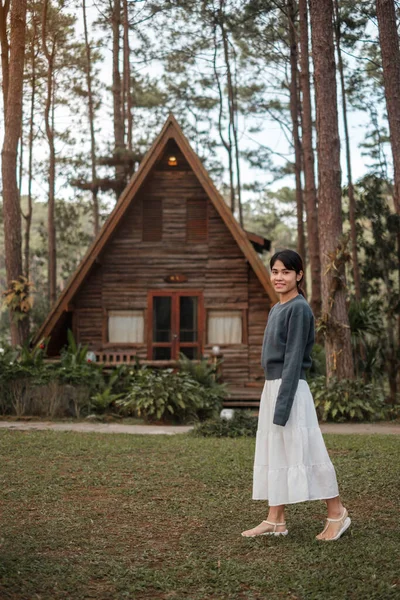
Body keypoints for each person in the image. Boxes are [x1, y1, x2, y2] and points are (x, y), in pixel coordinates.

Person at [241, 249, 351, 542]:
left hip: (290, 389)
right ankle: (275, 520)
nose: (279, 277)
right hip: (274, 387)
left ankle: (337, 513)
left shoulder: (299, 309)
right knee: (276, 451)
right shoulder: (277, 307)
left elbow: (292, 360)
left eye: (286, 272)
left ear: (299, 276)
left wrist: (282, 405)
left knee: (309, 450)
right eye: (275, 271)